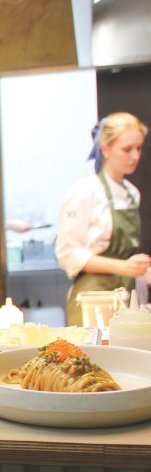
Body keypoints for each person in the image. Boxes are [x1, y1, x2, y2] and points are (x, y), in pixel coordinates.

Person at [56, 112, 150, 326]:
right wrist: (124, 267)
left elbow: (126, 257)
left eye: (139, 148)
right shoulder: (85, 192)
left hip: (125, 297)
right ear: (105, 149)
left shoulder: (131, 193)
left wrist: (141, 270)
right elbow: (68, 254)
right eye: (127, 149)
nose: (135, 156)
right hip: (93, 299)